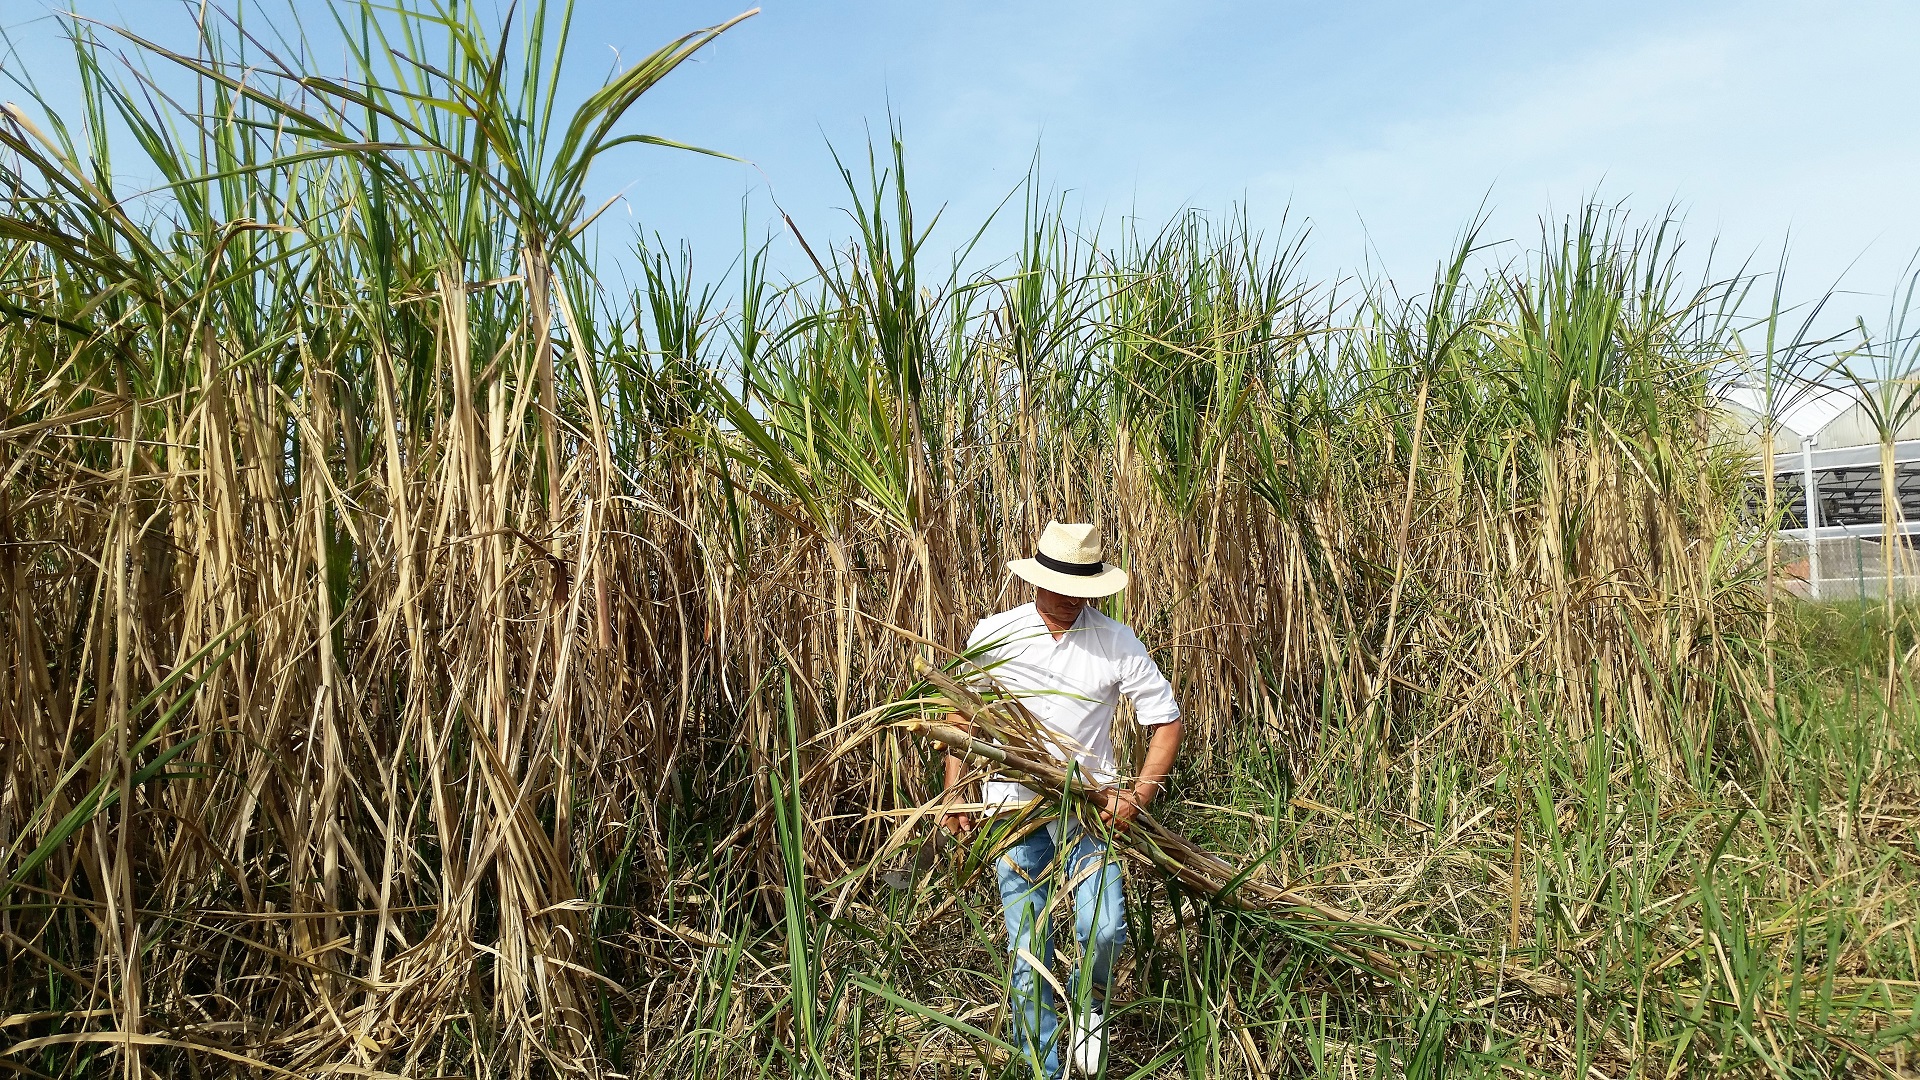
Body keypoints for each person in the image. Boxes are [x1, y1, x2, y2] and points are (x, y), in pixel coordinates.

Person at [940, 521, 1184, 1078]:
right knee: (1029, 958)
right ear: (1036, 581)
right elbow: (961, 713)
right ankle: (1047, 1070)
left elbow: (1165, 722)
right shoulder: (996, 634)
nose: (1068, 599)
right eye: (1057, 586)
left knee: (1104, 929)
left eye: (1080, 590)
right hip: (1013, 812)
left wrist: (1138, 795)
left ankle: (1090, 1004)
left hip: (1091, 812)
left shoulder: (1116, 642)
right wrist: (957, 789)